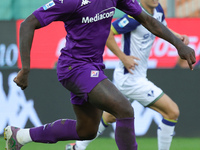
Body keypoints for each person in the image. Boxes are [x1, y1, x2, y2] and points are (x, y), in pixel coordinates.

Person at [4, 0, 195, 150]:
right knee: (124, 110)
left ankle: (20, 136)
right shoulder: (71, 2)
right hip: (74, 67)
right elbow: (28, 23)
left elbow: (147, 20)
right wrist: (25, 69)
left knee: (86, 130)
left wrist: (178, 44)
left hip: (92, 66)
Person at [66, 0, 192, 150]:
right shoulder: (133, 18)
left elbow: (161, 26)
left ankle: (77, 147)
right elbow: (108, 33)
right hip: (131, 79)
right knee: (172, 111)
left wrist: (178, 37)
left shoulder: (157, 10)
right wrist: (123, 57)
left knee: (110, 116)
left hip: (130, 76)